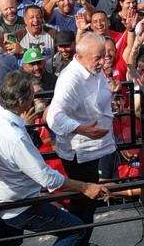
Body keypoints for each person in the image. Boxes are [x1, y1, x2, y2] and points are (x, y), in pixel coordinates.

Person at [0, 71, 110, 245]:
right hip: (21, 205)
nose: (34, 99)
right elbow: (46, 177)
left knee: (11, 242)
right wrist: (85, 187)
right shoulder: (15, 137)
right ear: (22, 102)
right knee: (76, 230)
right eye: (32, 96)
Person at [46, 34, 115, 244]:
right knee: (84, 204)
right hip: (80, 153)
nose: (103, 62)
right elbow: (53, 117)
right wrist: (81, 129)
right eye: (98, 58)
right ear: (80, 56)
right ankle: (76, 242)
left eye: (104, 56)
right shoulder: (70, 79)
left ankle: (80, 242)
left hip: (95, 148)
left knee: (88, 205)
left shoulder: (94, 69)